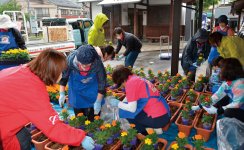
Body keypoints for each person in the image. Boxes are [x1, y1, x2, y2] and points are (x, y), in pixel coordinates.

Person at [0, 49, 94, 150]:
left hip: (5, 118)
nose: (62, 75)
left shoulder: (24, 70)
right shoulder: (33, 89)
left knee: (23, 135)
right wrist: (81, 138)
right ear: (53, 71)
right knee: (21, 141)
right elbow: (53, 127)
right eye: (61, 72)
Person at [109, 65, 170, 135]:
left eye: (121, 84)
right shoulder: (136, 79)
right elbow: (131, 97)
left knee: (126, 113)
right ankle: (153, 127)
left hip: (158, 118)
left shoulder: (130, 83)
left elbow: (132, 108)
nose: (122, 86)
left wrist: (118, 103)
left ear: (122, 81)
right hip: (164, 114)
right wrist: (122, 103)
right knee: (129, 109)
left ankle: (145, 133)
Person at [59, 45, 106, 121]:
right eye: (82, 64)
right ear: (77, 60)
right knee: (79, 119)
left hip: (92, 90)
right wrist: (61, 94)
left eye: (88, 64)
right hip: (76, 91)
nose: (84, 67)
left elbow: (102, 82)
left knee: (93, 119)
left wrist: (98, 101)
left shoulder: (97, 63)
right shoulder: (70, 60)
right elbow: (64, 78)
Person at [192, 58, 244, 122]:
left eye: (221, 68)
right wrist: (201, 105)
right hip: (235, 102)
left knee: (228, 112)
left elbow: (237, 104)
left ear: (228, 70)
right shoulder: (229, 81)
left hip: (241, 108)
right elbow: (218, 94)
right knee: (221, 100)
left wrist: (219, 111)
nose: (220, 71)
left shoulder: (240, 84)